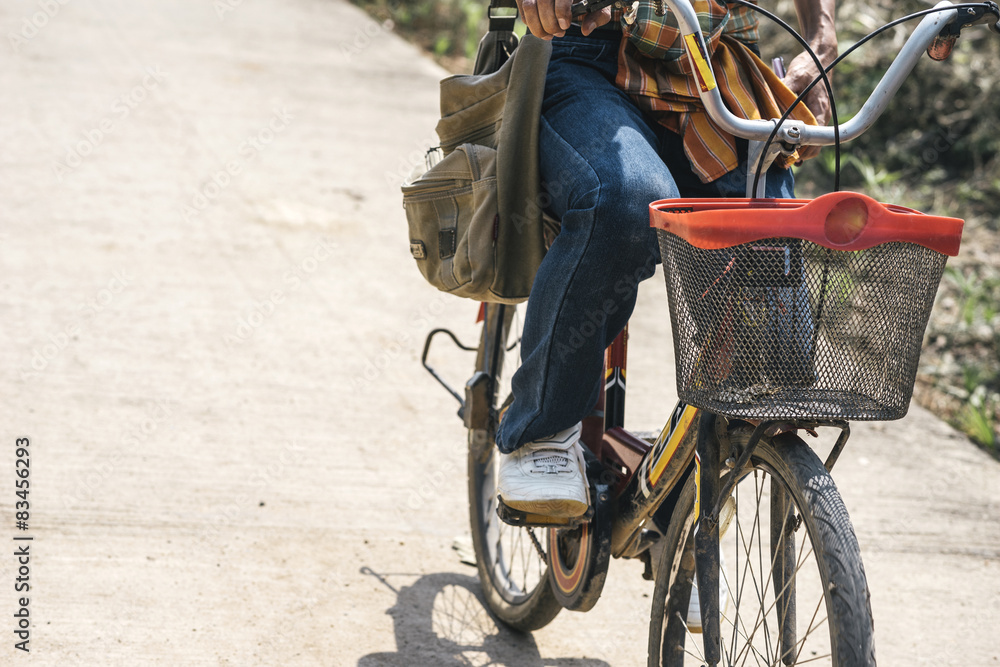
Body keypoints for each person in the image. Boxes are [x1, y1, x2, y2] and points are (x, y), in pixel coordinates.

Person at [495, 0, 838, 518]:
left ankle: (690, 513)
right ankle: (541, 428)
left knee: (771, 346)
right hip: (594, 54)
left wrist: (822, 36)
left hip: (719, 71)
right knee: (627, 200)